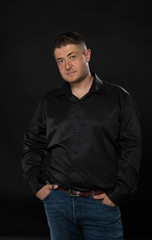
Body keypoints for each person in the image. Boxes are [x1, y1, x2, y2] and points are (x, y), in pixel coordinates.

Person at [22, 31, 142, 240]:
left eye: (72, 57)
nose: (67, 66)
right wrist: (36, 185)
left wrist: (118, 193)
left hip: (101, 204)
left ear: (87, 55)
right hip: (58, 204)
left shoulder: (119, 98)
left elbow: (132, 146)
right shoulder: (49, 102)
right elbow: (32, 143)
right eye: (60, 60)